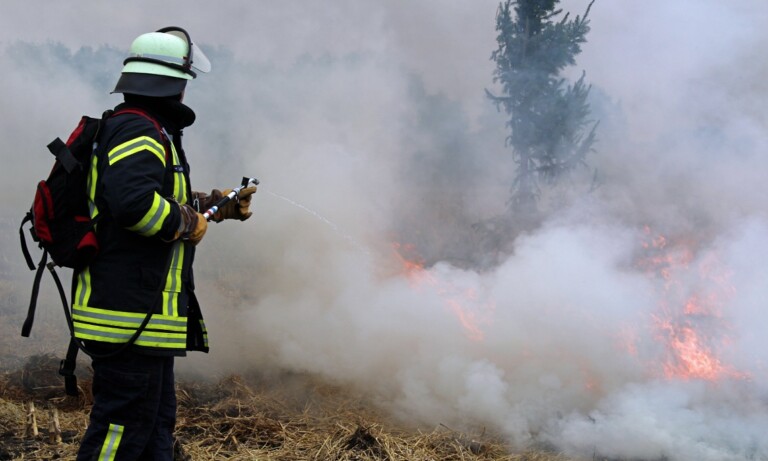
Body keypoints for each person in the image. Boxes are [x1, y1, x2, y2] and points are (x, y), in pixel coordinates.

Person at [73, 27, 256, 460]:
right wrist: (187, 221)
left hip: (143, 319)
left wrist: (216, 206)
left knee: (154, 429)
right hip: (126, 317)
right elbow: (134, 206)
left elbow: (147, 195)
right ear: (175, 84)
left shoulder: (145, 130)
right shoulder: (138, 131)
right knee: (121, 433)